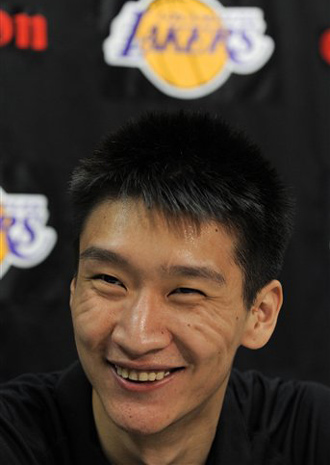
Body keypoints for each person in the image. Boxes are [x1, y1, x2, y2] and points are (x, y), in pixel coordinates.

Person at [1, 111, 329, 465]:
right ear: (74, 289)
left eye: (186, 292)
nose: (137, 337)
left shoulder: (311, 433)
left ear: (259, 314)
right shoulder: (14, 438)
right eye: (109, 281)